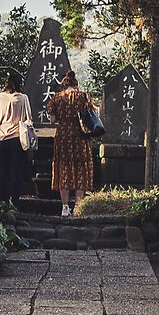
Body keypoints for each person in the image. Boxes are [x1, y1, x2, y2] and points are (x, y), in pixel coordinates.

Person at [47, 70, 97, 215]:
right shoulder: (83, 97)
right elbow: (92, 115)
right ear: (76, 84)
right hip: (80, 136)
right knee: (80, 168)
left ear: (63, 85)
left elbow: (52, 121)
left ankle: (64, 207)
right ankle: (78, 207)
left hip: (63, 137)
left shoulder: (56, 98)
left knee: (64, 169)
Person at [0, 69, 33, 208]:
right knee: (16, 172)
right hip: (17, 139)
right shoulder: (22, 98)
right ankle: (14, 202)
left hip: (1, 138)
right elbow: (28, 118)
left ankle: (1, 203)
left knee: (2, 172)